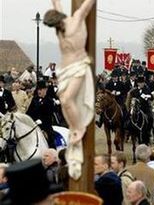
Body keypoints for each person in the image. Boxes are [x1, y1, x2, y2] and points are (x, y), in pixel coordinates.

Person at [43, 0, 95, 180]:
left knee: (66, 100)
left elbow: (86, 6)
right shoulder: (59, 27)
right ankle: (74, 127)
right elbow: (56, 3)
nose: (55, 28)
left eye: (55, 24)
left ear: (59, 20)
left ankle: (78, 128)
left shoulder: (75, 20)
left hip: (78, 66)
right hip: (64, 70)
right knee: (63, 100)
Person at [26, 80, 56, 148]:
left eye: (41, 89)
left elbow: (49, 115)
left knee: (50, 139)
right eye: (38, 89)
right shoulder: (35, 99)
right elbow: (29, 112)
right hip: (34, 125)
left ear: (45, 90)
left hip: (45, 126)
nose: (39, 91)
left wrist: (41, 122)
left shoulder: (49, 101)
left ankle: (53, 152)